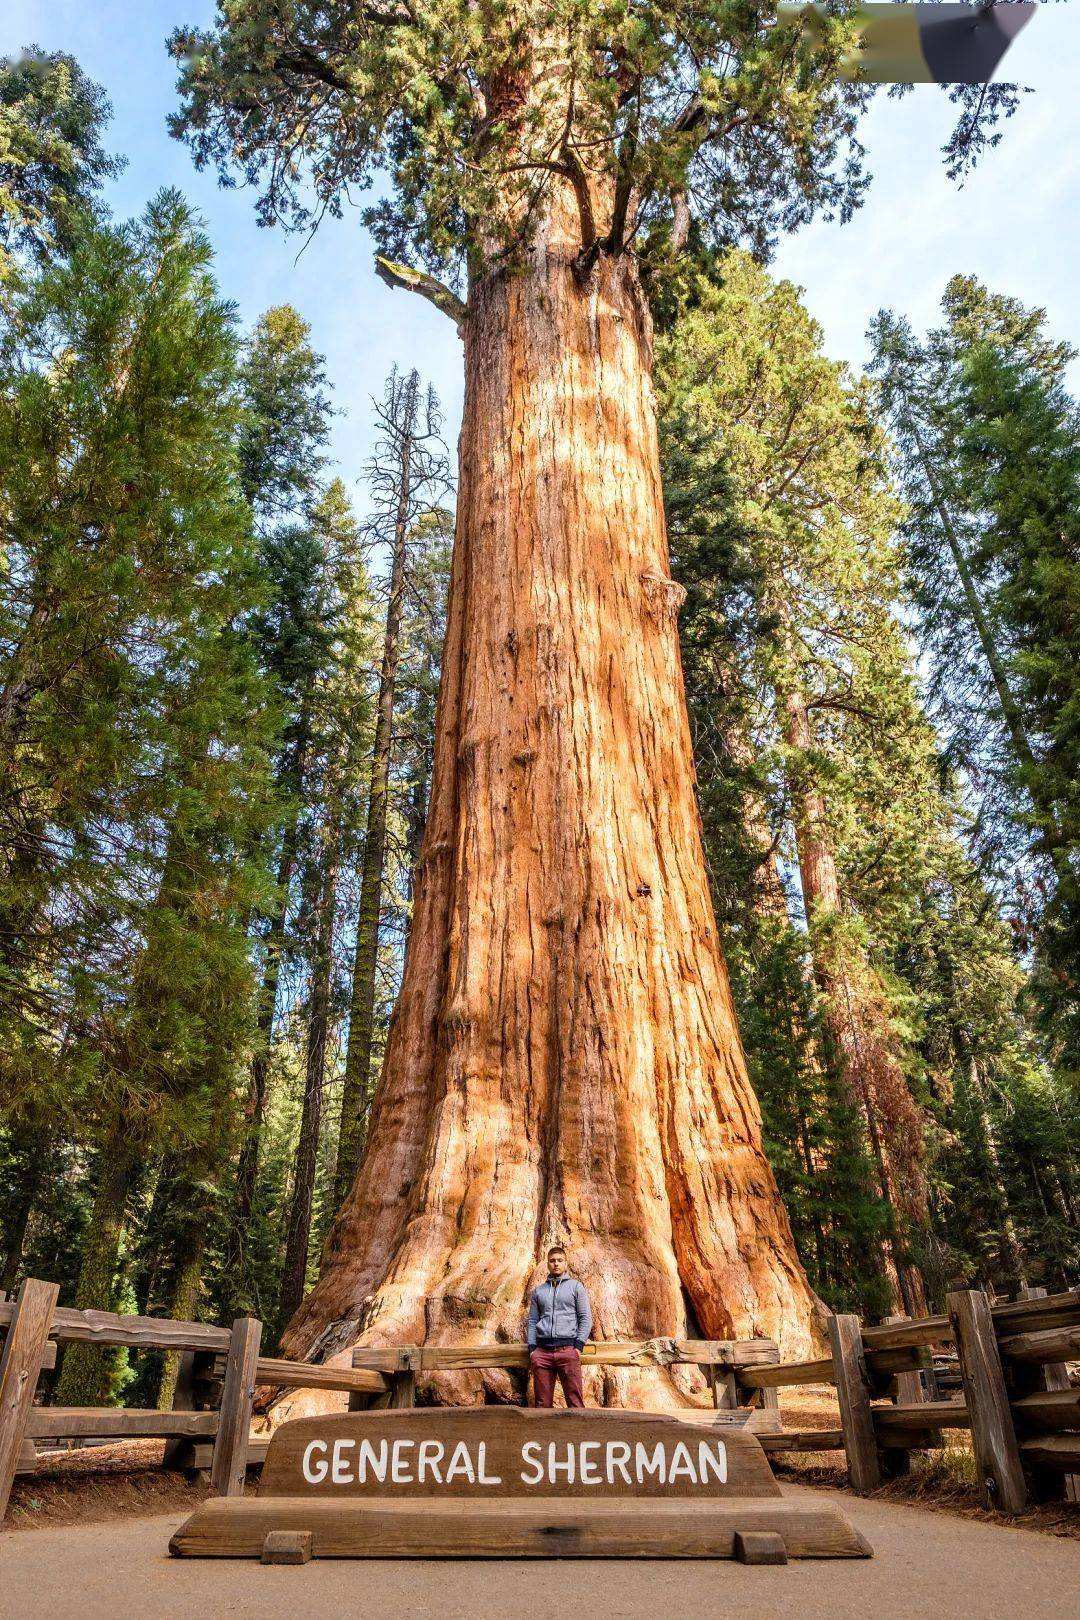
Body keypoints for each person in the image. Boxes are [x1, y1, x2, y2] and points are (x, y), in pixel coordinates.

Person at [526, 1245, 593, 1408]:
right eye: (552, 1261)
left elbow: (585, 1318)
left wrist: (578, 1346)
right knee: (542, 1404)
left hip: (568, 1351)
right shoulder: (539, 1292)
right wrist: (532, 1348)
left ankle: (578, 1433)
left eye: (559, 1260)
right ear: (548, 1264)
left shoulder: (576, 1287)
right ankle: (545, 1434)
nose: (556, 1263)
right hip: (542, 1353)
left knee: (575, 1402)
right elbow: (533, 1320)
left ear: (565, 1263)